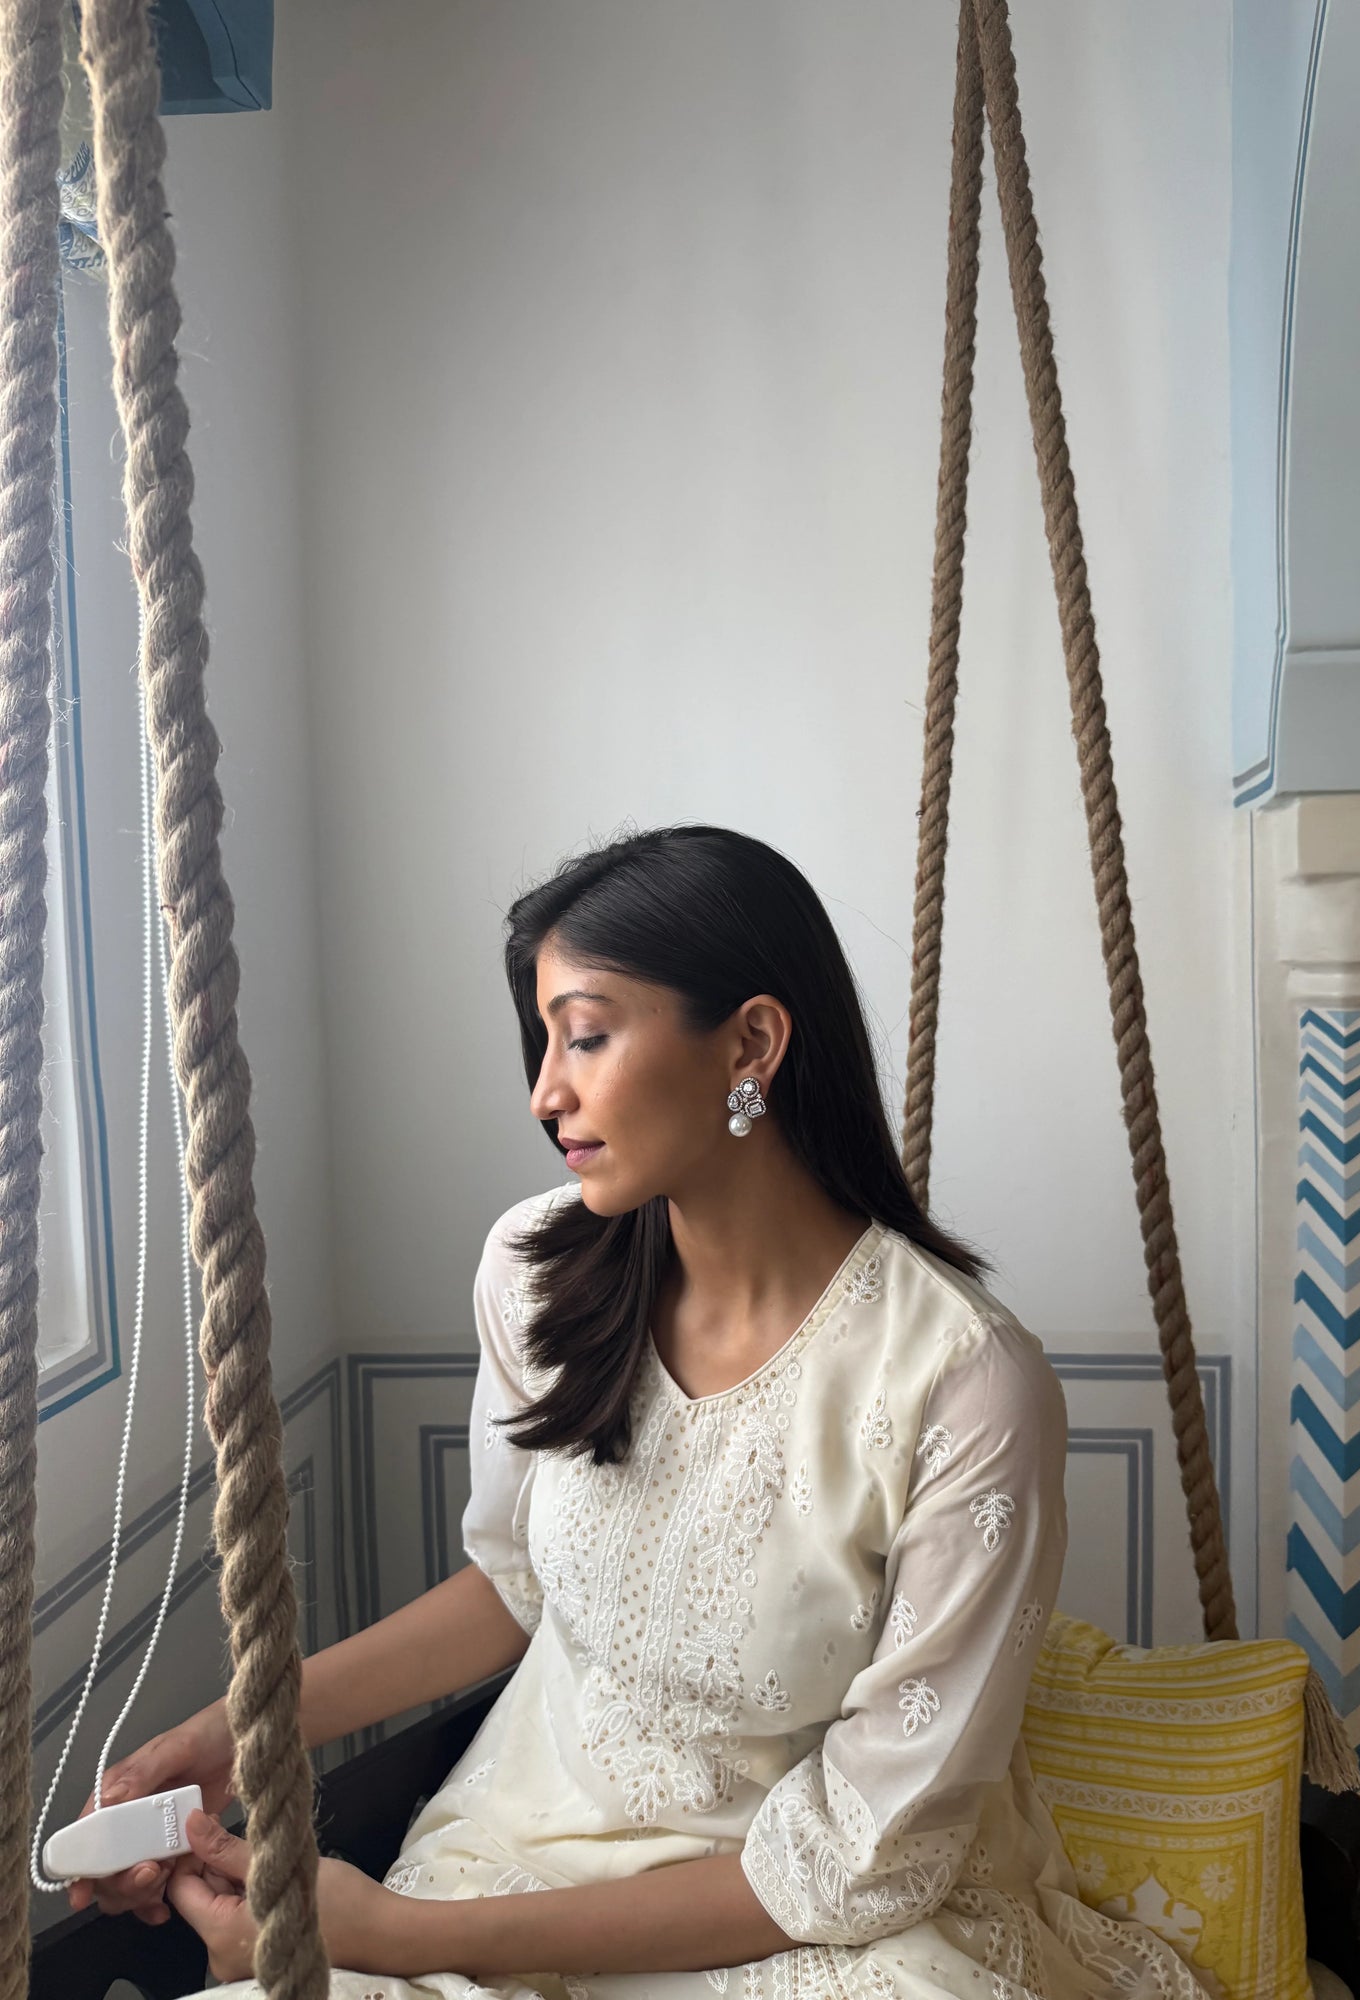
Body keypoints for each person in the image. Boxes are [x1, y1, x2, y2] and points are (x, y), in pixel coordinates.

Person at [69, 826, 1207, 1999]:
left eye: (589, 1033)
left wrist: (398, 1936)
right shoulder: (535, 1270)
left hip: (808, 1919)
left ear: (751, 1040)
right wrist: (228, 1736)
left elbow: (866, 1855)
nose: (545, 1092)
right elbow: (510, 1587)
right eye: (546, 1038)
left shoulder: (964, 1381)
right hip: (520, 1849)